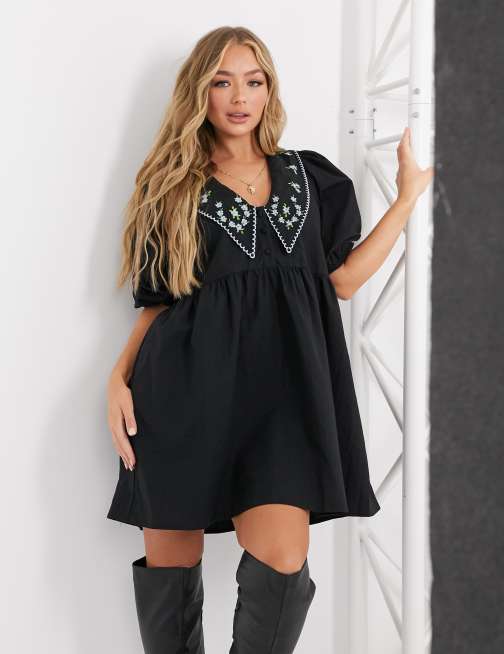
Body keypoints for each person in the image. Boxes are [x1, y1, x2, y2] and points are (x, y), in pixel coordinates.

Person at [105, 25, 434, 654]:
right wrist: (117, 378)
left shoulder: (308, 176)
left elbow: (341, 281)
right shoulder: (170, 188)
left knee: (283, 558)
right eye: (222, 82)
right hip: (183, 394)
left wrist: (406, 199)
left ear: (269, 90)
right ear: (199, 93)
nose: (239, 97)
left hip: (284, 400)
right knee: (172, 565)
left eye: (253, 82)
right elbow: (158, 302)